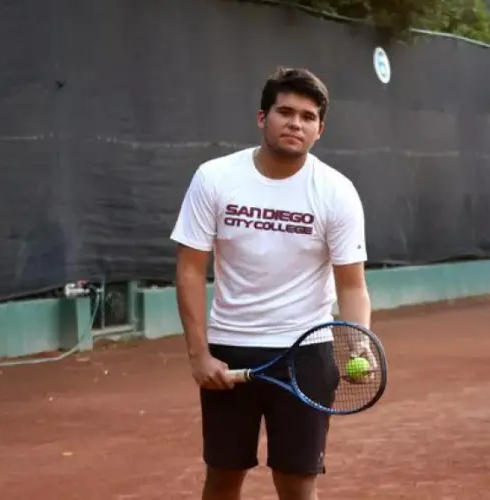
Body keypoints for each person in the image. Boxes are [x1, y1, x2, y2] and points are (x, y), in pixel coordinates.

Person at [170, 67, 371, 500]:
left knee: (297, 481)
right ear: (263, 118)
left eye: (307, 116)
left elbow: (351, 284)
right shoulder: (214, 178)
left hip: (307, 352)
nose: (295, 123)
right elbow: (189, 268)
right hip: (230, 351)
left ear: (320, 129)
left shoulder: (336, 191)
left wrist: (358, 344)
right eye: (285, 112)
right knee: (223, 477)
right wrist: (199, 354)